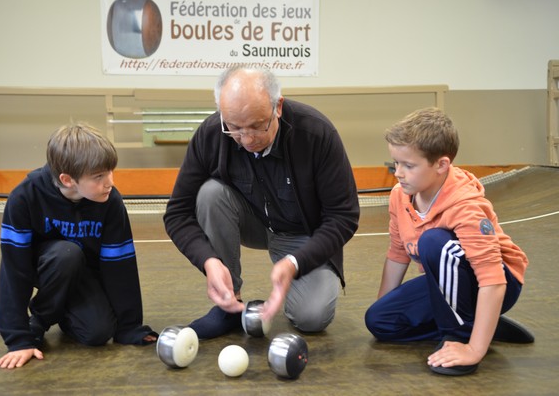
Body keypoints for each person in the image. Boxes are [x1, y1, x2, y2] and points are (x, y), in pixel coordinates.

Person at [163, 66, 359, 339]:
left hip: (302, 235)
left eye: (257, 125)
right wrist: (208, 261)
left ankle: (293, 282)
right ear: (222, 111)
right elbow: (177, 213)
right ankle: (230, 305)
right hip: (252, 222)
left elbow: (343, 216)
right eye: (234, 128)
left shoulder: (316, 134)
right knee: (210, 194)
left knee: (313, 318)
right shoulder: (210, 134)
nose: (247, 139)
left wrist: (295, 262)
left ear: (277, 107)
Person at [364, 107, 534, 376]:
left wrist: (474, 350)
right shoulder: (401, 195)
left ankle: (461, 335)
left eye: (408, 165)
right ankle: (480, 322)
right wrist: (384, 304)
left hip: (497, 282)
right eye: (395, 163)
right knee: (380, 322)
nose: (398, 173)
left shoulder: (466, 207)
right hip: (450, 280)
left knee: (434, 242)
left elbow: (493, 280)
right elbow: (398, 253)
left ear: (441, 165)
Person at [0, 122, 157, 369]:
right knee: (67, 253)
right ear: (67, 179)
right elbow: (13, 270)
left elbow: (120, 264)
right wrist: (18, 338)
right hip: (47, 268)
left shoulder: (110, 202)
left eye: (110, 172)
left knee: (98, 334)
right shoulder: (24, 197)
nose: (110, 182)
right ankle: (39, 320)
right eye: (98, 177)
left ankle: (61, 309)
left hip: (83, 274)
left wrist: (129, 327)